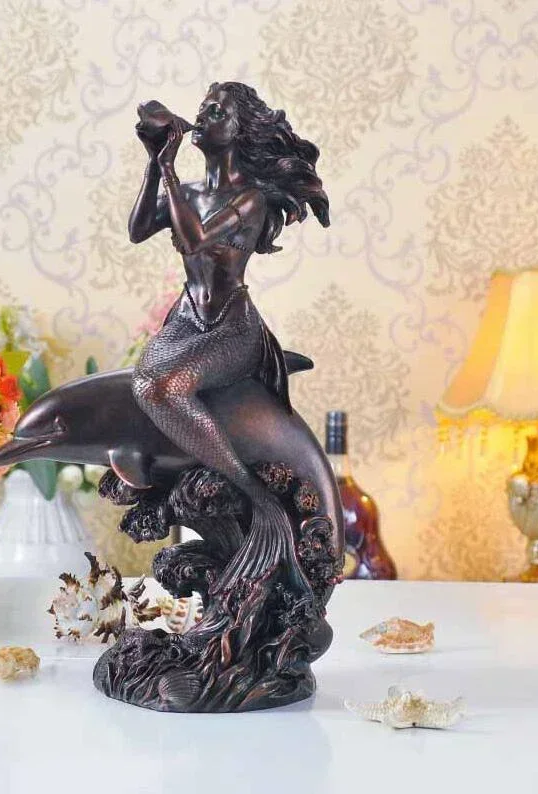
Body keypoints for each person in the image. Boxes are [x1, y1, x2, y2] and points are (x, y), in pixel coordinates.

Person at [127, 81, 329, 598]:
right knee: (143, 385)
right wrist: (153, 162)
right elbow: (138, 229)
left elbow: (193, 240)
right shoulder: (190, 191)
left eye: (217, 111)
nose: (203, 115)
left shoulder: (249, 199)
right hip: (186, 317)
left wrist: (169, 168)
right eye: (203, 108)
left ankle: (248, 487)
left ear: (240, 130)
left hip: (231, 325)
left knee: (162, 388)